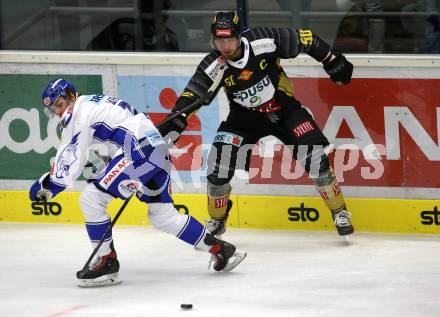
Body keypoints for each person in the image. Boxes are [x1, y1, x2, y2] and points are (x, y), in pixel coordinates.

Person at [29, 78, 246, 288]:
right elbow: (95, 150)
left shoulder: (77, 112)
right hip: (155, 150)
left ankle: (106, 261)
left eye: (59, 104)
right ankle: (221, 249)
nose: (58, 112)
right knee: (163, 217)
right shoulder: (95, 103)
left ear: (71, 96)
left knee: (91, 199)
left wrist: (45, 185)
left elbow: (69, 163)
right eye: (54, 109)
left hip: (137, 153)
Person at [158, 11, 355, 240]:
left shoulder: (264, 39)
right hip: (244, 119)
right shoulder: (215, 63)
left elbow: (305, 38)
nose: (225, 46)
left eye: (229, 39)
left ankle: (340, 212)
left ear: (239, 36)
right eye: (219, 41)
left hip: (284, 110)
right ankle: (217, 220)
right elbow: (193, 93)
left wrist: (331, 59)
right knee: (217, 169)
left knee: (315, 159)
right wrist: (177, 119)